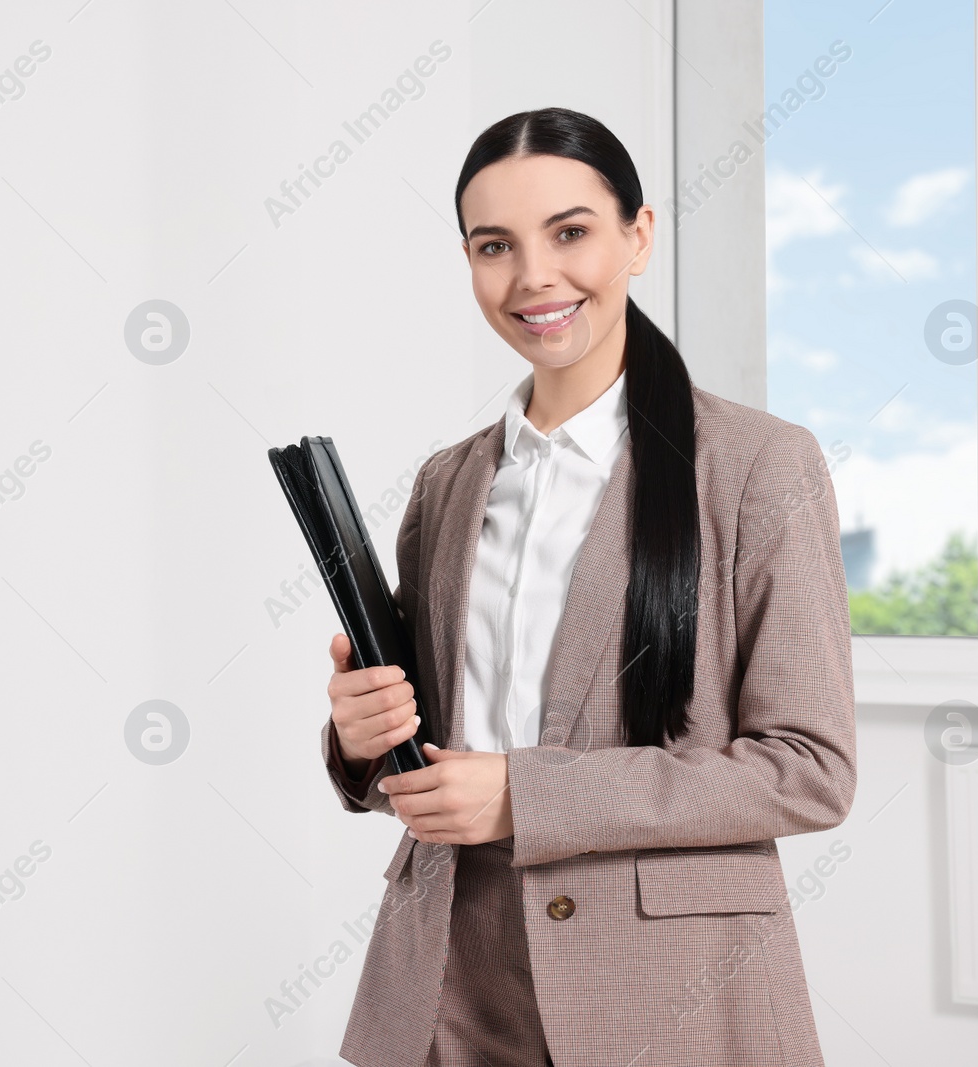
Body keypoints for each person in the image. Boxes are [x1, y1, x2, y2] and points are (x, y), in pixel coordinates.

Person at [319, 107, 857, 1067]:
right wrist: (362, 740)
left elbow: (809, 770)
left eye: (571, 232)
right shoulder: (447, 483)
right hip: (447, 978)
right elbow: (435, 747)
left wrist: (531, 796)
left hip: (663, 989)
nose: (534, 277)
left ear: (637, 236)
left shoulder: (758, 466)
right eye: (496, 246)